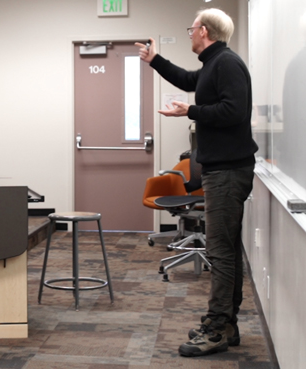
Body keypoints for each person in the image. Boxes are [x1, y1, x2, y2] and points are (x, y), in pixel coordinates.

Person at [136, 8, 258, 357]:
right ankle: (227, 324)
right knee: (228, 250)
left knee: (219, 252)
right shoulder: (213, 64)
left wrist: (189, 112)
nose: (189, 33)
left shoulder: (227, 64)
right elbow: (189, 81)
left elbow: (234, 110)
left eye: (191, 29)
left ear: (203, 30)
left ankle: (217, 327)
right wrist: (155, 59)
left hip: (228, 172)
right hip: (224, 169)